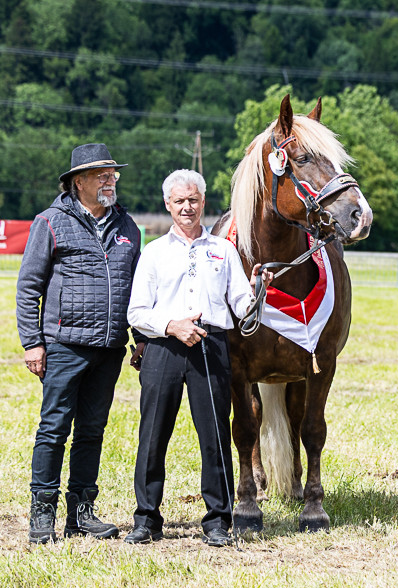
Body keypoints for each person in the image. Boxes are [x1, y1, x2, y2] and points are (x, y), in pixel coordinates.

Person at [125, 170, 270, 546]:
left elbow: (240, 305)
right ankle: (146, 519)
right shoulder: (154, 252)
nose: (187, 207)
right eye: (179, 201)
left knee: (215, 436)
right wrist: (172, 325)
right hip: (163, 347)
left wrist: (258, 292)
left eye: (193, 200)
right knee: (153, 435)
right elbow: (137, 312)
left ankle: (218, 521)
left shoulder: (223, 251)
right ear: (168, 205)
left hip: (211, 346)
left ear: (203, 202)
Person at [16, 144, 142, 544]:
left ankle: (81, 512)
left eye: (113, 174)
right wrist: (33, 343)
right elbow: (28, 287)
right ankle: (42, 513)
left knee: (93, 430)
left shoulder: (128, 227)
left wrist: (139, 338)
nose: (110, 180)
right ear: (78, 182)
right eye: (102, 174)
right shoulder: (50, 222)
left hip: (109, 348)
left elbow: (139, 291)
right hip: (63, 345)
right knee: (54, 428)